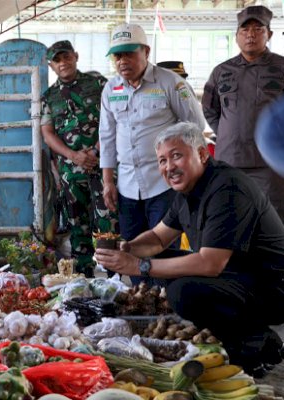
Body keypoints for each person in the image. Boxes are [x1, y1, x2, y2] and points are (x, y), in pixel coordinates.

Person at [95, 122, 284, 378]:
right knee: (156, 257)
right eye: (162, 160)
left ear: (202, 154)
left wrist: (138, 266)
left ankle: (256, 344)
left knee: (183, 292)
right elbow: (157, 239)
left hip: (273, 287)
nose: (169, 167)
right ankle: (252, 339)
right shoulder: (187, 189)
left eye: (176, 156)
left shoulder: (227, 188)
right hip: (237, 273)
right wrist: (129, 247)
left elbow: (210, 264)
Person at [99, 23, 206, 283]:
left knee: (162, 247)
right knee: (131, 248)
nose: (123, 61)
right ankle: (140, 300)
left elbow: (196, 127)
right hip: (126, 185)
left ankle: (166, 301)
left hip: (164, 183)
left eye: (129, 53)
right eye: (117, 56)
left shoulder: (171, 83)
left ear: (146, 51)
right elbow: (107, 137)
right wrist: (108, 181)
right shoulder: (110, 89)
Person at [202, 5, 284, 225]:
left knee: (274, 220)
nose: (250, 34)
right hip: (230, 160)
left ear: (269, 34)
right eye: (244, 29)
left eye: (258, 29)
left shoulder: (282, 67)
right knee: (230, 217)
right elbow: (210, 108)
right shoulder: (222, 71)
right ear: (237, 36)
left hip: (270, 165)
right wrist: (229, 133)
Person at [40, 40, 118, 276]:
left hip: (102, 165)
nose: (63, 63)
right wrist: (74, 156)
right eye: (57, 60)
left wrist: (94, 151)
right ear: (51, 65)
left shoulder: (98, 83)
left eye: (66, 57)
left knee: (108, 219)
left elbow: (113, 119)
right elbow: (47, 133)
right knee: (77, 223)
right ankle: (83, 274)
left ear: (76, 56)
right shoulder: (49, 96)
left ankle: (112, 273)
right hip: (71, 170)